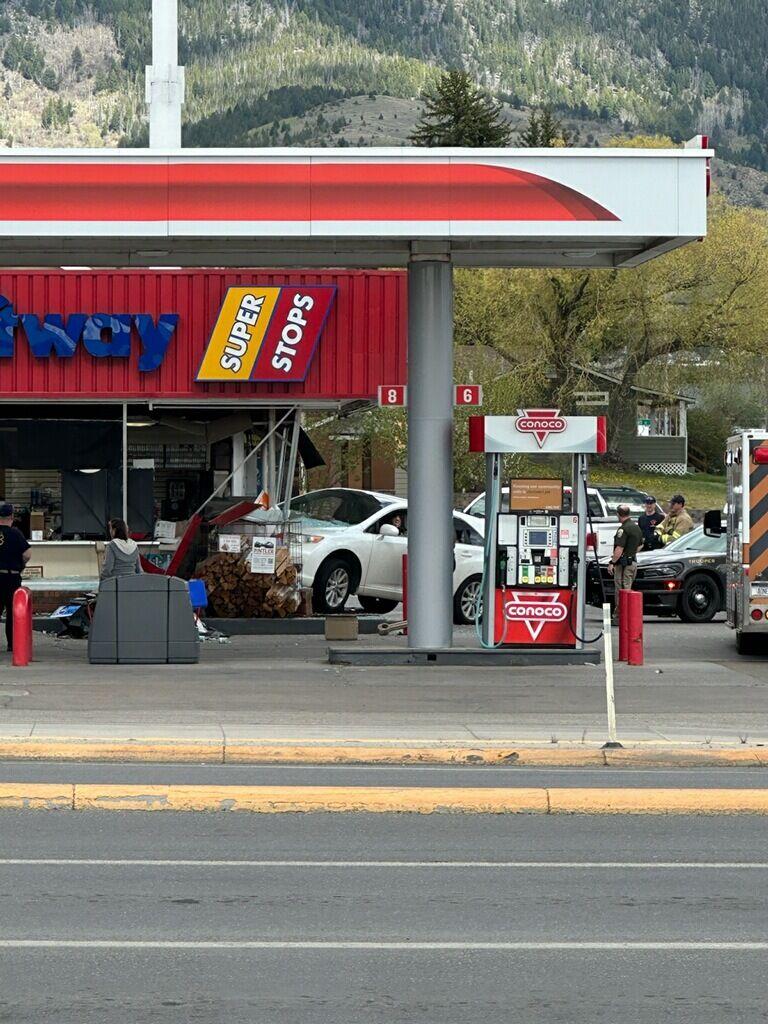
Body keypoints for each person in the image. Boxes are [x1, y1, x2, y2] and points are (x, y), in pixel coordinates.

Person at [0, 501, 31, 653]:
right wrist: (21, 566)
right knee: (13, 612)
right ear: (11, 516)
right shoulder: (16, 533)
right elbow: (27, 554)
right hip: (12, 577)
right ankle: (12, 644)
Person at [608, 504, 643, 610]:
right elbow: (641, 545)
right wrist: (631, 553)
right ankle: (627, 616)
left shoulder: (623, 529)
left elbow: (619, 549)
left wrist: (612, 562)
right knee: (628, 589)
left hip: (623, 565)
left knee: (621, 591)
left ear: (618, 515)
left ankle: (619, 617)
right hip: (632, 563)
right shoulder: (636, 527)